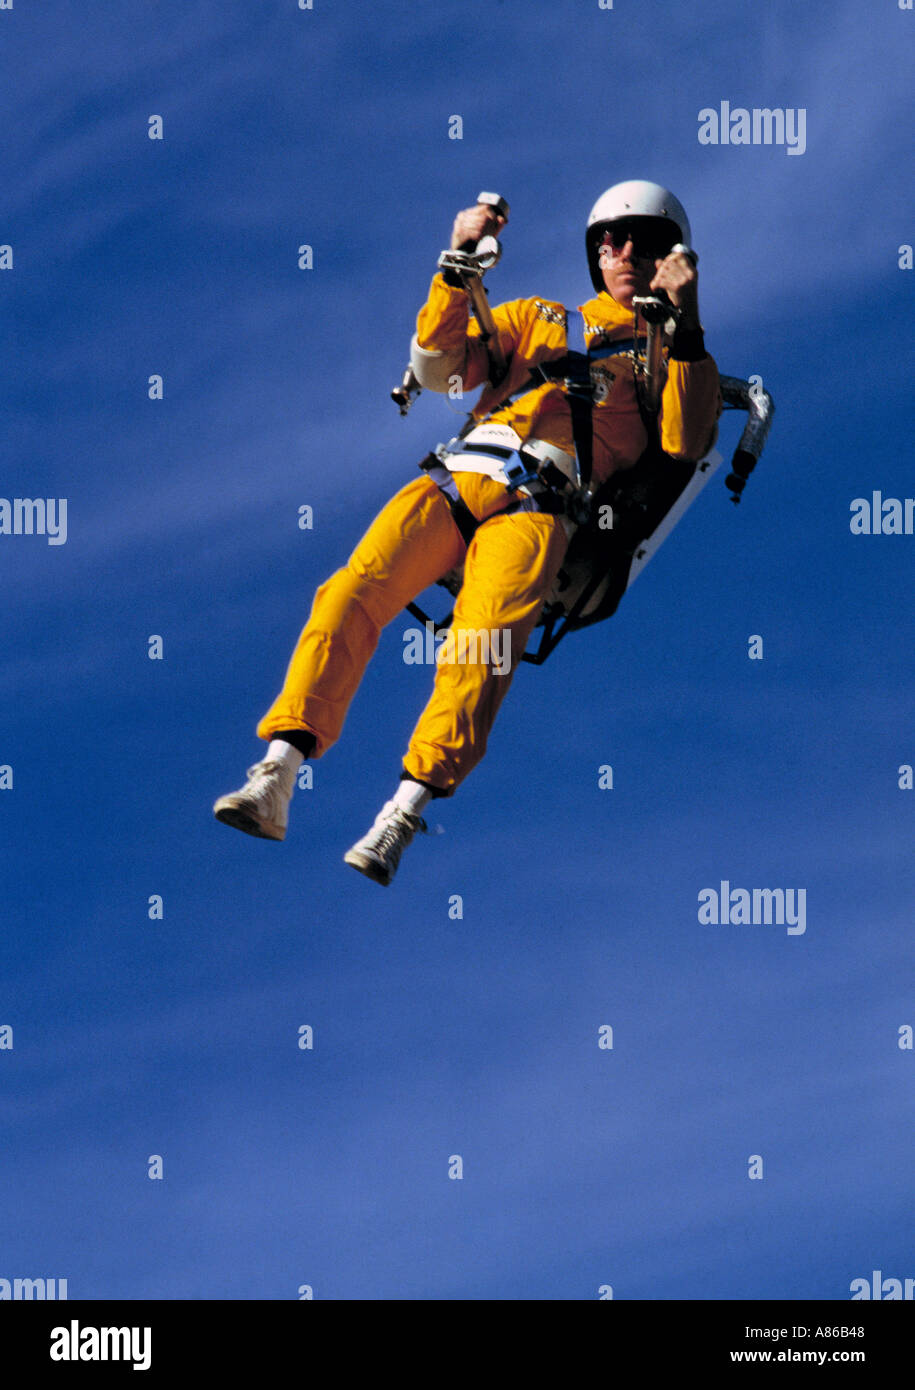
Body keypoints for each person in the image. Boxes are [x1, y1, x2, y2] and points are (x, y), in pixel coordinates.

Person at [213, 180, 721, 885]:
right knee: (347, 597)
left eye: (643, 239)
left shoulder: (671, 359)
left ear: (674, 256)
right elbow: (441, 369)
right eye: (612, 238)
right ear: (595, 253)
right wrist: (455, 265)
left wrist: (683, 323)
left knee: (478, 650)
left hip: (540, 506)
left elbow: (687, 441)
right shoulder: (538, 317)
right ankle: (277, 772)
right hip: (454, 478)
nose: (626, 250)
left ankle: (404, 807)